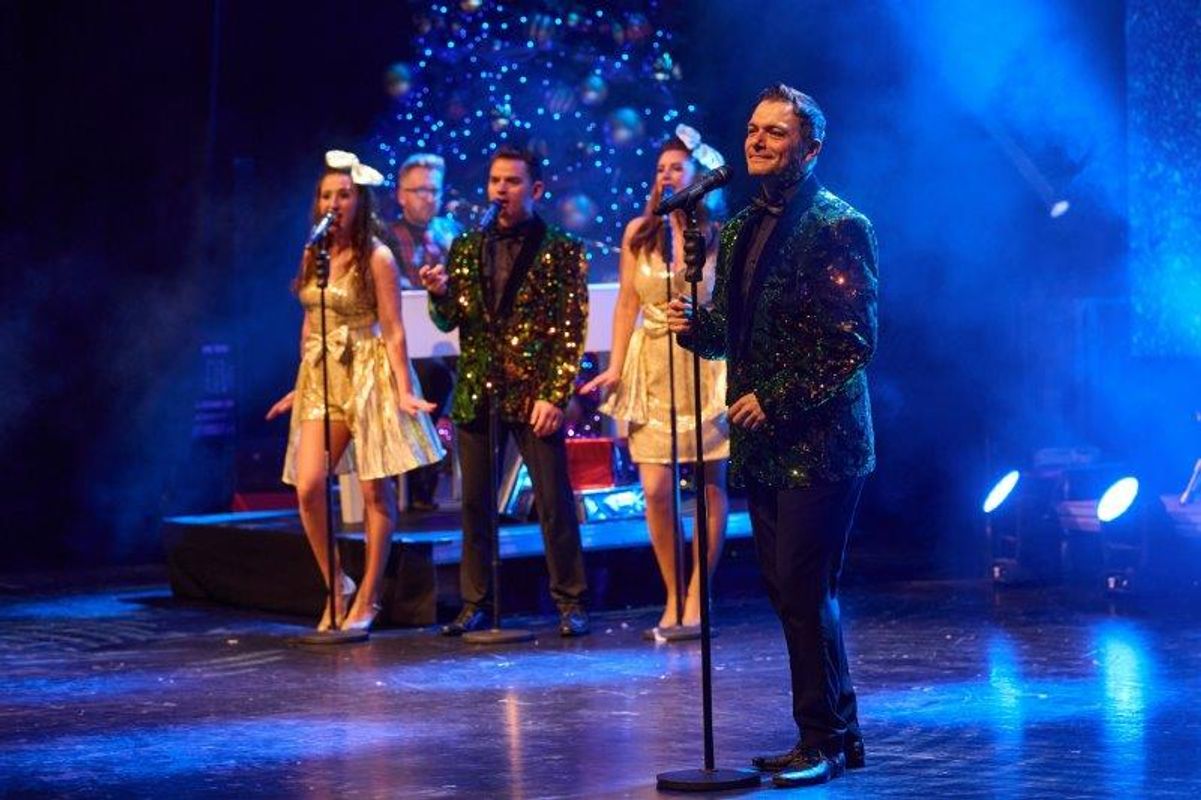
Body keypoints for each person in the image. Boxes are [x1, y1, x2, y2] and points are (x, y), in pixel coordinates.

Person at [668, 85, 879, 787]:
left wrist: (777, 397)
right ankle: (836, 732)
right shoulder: (739, 230)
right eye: (753, 129)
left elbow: (850, 341)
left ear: (810, 149)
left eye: (775, 133)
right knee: (790, 590)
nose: (756, 141)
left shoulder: (837, 226)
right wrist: (693, 327)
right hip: (763, 444)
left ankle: (822, 738)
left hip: (821, 441)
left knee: (804, 586)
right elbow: (733, 333)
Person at [267, 150, 445, 632]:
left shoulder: (377, 257)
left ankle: (369, 594)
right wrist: (300, 381)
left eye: (344, 195)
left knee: (373, 491)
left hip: (368, 370)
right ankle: (337, 584)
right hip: (323, 374)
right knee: (308, 486)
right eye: (327, 195)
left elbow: (394, 329)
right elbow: (311, 321)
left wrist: (403, 390)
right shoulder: (315, 254)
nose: (334, 203)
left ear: (360, 201)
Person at [419, 145, 591, 637]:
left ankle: (571, 601)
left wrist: (555, 394)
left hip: (535, 392)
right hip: (480, 388)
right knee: (475, 504)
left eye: (512, 181)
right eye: (495, 180)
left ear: (534, 189)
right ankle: (477, 601)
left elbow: (571, 327)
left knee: (553, 501)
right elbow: (452, 320)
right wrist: (439, 294)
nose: (501, 189)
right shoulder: (468, 246)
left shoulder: (561, 249)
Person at [580, 135, 730, 636]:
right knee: (656, 488)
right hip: (652, 366)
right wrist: (616, 365)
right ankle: (671, 592)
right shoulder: (641, 233)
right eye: (661, 167)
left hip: (702, 363)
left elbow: (725, 301)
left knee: (710, 484)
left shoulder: (716, 235)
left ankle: (699, 594)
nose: (667, 175)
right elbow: (626, 303)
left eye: (677, 167)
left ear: (698, 178)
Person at [389, 153, 461, 512]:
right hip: (404, 344)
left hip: (450, 336)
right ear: (401, 195)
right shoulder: (386, 236)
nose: (427, 198)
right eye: (419, 191)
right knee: (432, 377)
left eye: (434, 191)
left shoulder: (452, 233)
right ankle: (419, 473)